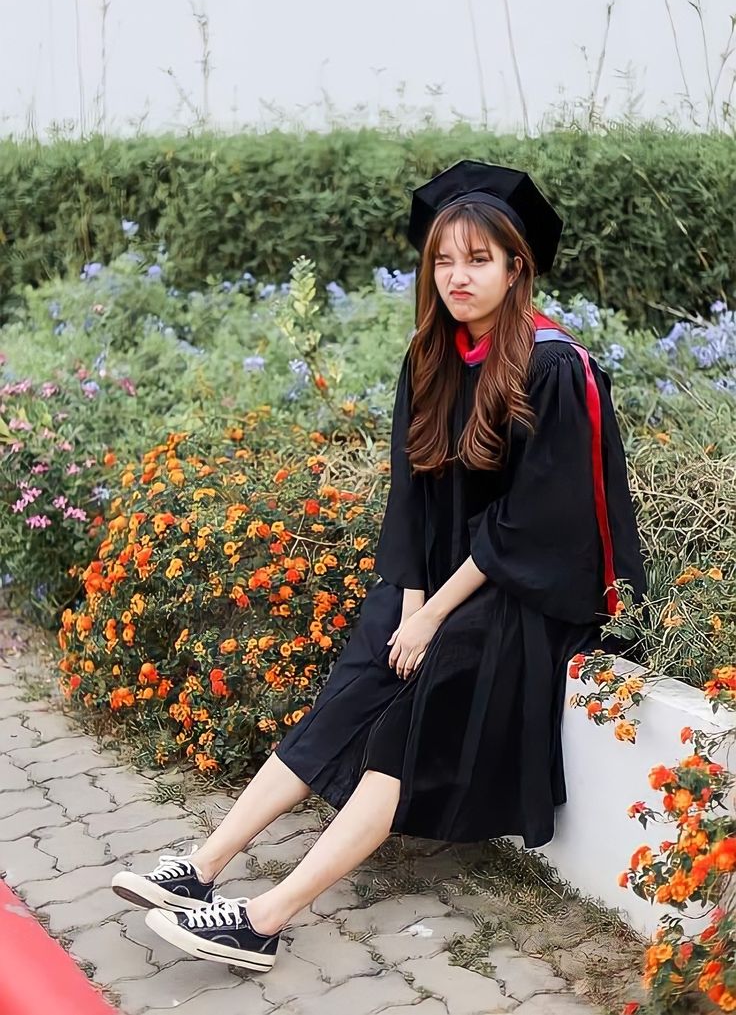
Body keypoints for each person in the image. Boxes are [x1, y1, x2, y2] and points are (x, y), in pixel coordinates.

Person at [111, 159, 648, 974]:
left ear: (515, 266)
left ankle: (262, 918)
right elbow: (413, 497)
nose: (457, 276)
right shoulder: (431, 357)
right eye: (443, 259)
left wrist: (435, 616)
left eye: (477, 259)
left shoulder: (554, 366)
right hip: (442, 580)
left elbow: (534, 525)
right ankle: (204, 864)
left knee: (410, 712)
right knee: (361, 674)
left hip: (526, 595)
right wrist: (410, 599)